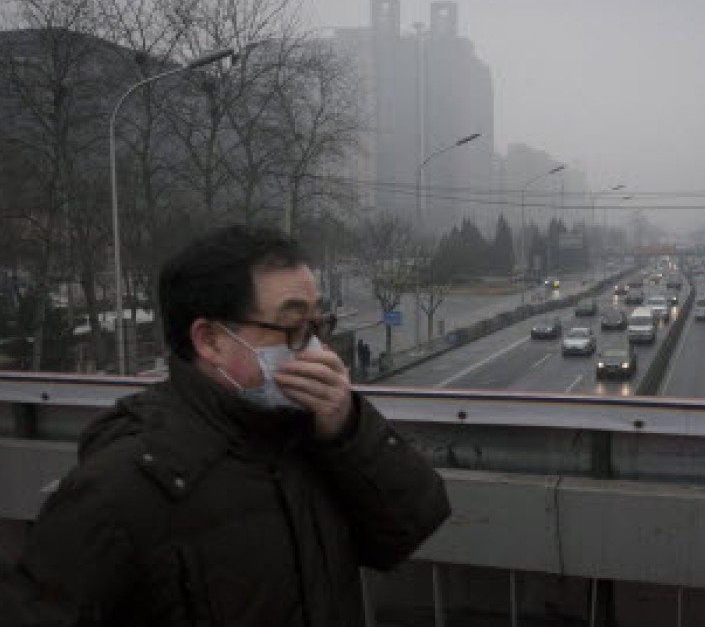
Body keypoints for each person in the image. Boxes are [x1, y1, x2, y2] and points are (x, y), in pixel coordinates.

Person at [1, 225, 451, 626]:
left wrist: (347, 427)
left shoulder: (310, 434)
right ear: (211, 340)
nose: (314, 349)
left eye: (318, 325)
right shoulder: (122, 482)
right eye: (292, 327)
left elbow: (408, 529)